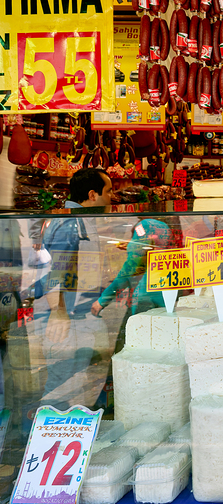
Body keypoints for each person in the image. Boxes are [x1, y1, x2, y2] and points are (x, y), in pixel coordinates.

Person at [37, 167, 113, 408]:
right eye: (109, 191)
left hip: (79, 315)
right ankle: (45, 440)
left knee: (79, 386)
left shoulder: (80, 219)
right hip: (68, 320)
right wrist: (58, 314)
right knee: (61, 388)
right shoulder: (71, 222)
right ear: (93, 195)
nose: (112, 198)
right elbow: (57, 269)